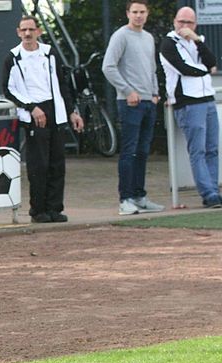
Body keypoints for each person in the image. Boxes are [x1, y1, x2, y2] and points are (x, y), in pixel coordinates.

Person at [3, 15, 84, 224]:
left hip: (54, 111)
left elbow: (62, 85)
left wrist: (71, 111)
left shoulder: (49, 54)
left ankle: (55, 208)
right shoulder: (13, 57)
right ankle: (38, 210)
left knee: (57, 163)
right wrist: (31, 108)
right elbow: (8, 89)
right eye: (24, 30)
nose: (28, 34)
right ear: (18, 32)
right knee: (38, 165)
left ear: (38, 31)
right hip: (33, 114)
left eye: (31, 29)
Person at [103, 0, 165, 216]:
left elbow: (152, 67)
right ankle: (125, 199)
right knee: (129, 151)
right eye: (135, 12)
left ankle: (139, 196)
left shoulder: (148, 37)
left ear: (147, 14)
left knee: (143, 151)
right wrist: (128, 91)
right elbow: (108, 66)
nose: (139, 16)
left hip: (149, 102)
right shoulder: (121, 36)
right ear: (128, 13)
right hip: (130, 103)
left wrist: (155, 92)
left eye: (142, 12)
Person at [160, 7, 222, 209]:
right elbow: (185, 69)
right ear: (175, 21)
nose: (185, 27)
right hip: (188, 102)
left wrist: (197, 40)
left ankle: (212, 191)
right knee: (198, 150)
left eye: (190, 23)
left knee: (212, 148)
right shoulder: (169, 43)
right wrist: (206, 70)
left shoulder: (197, 41)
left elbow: (212, 61)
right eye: (181, 22)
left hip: (207, 99)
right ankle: (208, 192)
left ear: (195, 25)